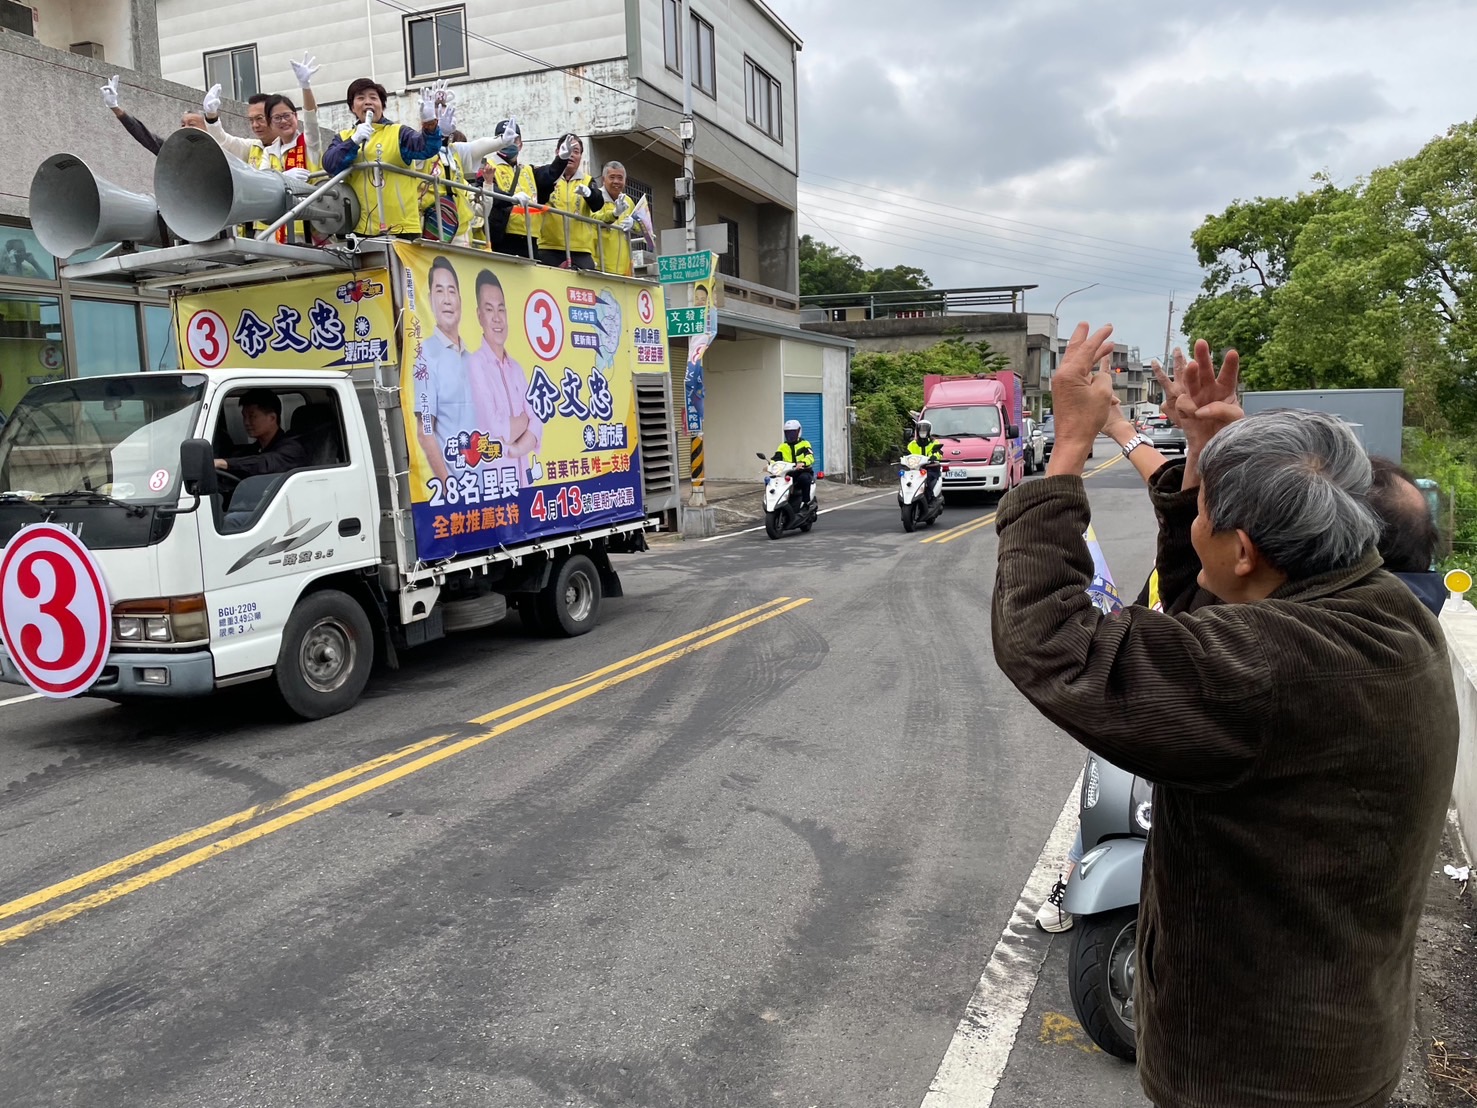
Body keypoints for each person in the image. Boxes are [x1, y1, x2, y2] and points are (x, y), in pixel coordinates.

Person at [995, 323, 1459, 1108]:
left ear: (1243, 550)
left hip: (1258, 1073)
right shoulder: (1378, 605)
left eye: (1199, 505)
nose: (1190, 508)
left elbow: (1050, 644)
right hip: (1336, 1037)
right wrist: (1210, 452)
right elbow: (1205, 624)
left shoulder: (1273, 670)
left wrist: (1065, 452)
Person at [322, 77, 449, 237]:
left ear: (382, 105)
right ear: (352, 107)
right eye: (361, 98)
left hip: (401, 228)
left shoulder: (398, 132)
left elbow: (426, 148)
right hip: (359, 230)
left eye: (373, 98)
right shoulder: (344, 137)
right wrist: (353, 141)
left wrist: (430, 125)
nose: (368, 102)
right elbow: (330, 164)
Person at [466, 269, 543, 483]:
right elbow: (495, 429)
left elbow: (537, 421)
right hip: (496, 486)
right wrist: (523, 421)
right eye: (489, 310)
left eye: (501, 309)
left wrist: (518, 448)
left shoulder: (516, 368)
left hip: (524, 484)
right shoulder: (475, 365)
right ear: (479, 316)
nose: (497, 318)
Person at [410, 255, 475, 486]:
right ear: (429, 300)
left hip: (490, 485)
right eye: (439, 291)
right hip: (458, 489)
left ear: (460, 300)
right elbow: (425, 431)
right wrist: (449, 486)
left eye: (451, 291)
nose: (447, 300)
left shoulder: (474, 359)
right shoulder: (425, 356)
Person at [481, 119, 570, 258]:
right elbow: (488, 192)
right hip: (503, 236)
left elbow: (549, 174)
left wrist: (561, 159)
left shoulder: (527, 170)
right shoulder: (487, 166)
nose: (510, 143)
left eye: (514, 139)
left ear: (521, 144)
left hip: (531, 237)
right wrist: (511, 199)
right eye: (505, 138)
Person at [538, 134, 607, 270]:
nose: (571, 155)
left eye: (576, 152)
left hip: (580, 249)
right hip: (548, 247)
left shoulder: (587, 180)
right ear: (557, 152)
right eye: (567, 149)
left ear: (581, 156)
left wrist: (589, 193)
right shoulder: (546, 175)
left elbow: (598, 204)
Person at [99, 76, 206, 155]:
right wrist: (114, 107)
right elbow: (144, 136)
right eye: (183, 125)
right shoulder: (175, 153)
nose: (185, 128)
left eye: (192, 124)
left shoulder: (220, 149)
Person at [215, 389, 308, 477]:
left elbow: (265, 463)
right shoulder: (254, 449)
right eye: (244, 416)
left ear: (272, 418)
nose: (246, 422)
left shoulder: (292, 449)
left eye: (252, 416)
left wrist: (224, 463)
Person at [593, 160, 636, 276]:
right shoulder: (596, 197)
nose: (616, 181)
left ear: (625, 181)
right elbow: (593, 219)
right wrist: (614, 214)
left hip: (624, 269)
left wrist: (634, 224)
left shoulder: (628, 201)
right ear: (603, 179)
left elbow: (644, 226)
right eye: (612, 177)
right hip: (600, 267)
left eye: (620, 178)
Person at [772, 420, 815, 507]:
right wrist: (771, 465)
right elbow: (776, 458)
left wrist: (803, 462)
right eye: (788, 433)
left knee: (804, 478)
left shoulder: (804, 444)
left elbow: (810, 456)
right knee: (771, 481)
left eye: (792, 433)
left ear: (798, 431)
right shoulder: (782, 446)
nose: (790, 435)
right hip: (787, 473)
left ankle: (805, 502)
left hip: (802, 471)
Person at [906, 417, 944, 507]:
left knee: (928, 481)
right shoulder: (912, 444)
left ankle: (931, 499)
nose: (923, 431)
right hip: (915, 469)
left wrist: (934, 456)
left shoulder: (934, 442)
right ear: (917, 430)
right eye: (921, 429)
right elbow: (907, 454)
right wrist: (902, 457)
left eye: (925, 429)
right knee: (906, 479)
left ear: (929, 431)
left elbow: (939, 452)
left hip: (931, 467)